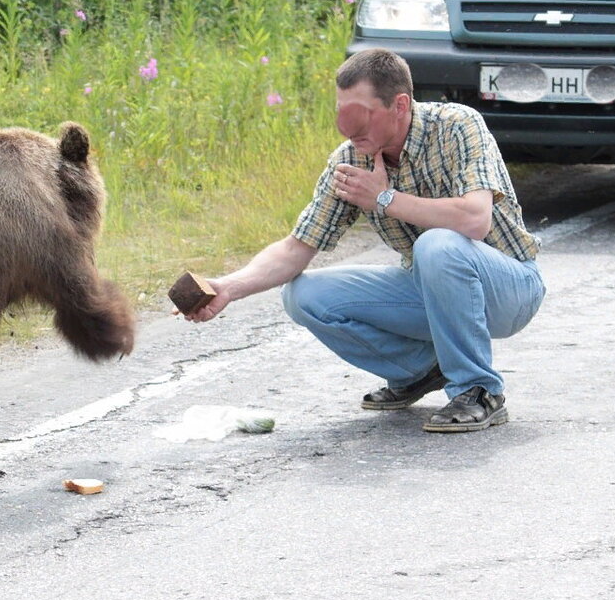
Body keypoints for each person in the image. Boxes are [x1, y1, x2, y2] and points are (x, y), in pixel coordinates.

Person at [185, 47, 545, 433]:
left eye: (362, 113)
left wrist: (384, 199)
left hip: (509, 289)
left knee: (436, 245)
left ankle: (479, 390)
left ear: (400, 105)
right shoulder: (350, 160)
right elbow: (295, 248)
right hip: (430, 291)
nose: (349, 127)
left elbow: (475, 219)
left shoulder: (458, 125)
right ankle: (422, 369)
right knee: (303, 295)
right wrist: (226, 288)